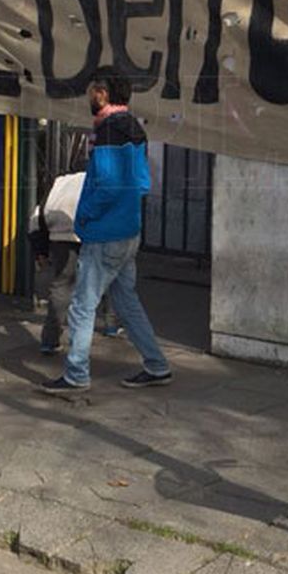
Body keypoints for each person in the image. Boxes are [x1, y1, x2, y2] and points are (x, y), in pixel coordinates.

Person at [42, 68, 172, 394]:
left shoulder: (110, 130)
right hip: (127, 230)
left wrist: (84, 218)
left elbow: (109, 186)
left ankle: (75, 374)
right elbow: (141, 183)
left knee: (83, 306)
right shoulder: (134, 128)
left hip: (104, 234)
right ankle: (157, 366)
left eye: (91, 90)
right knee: (127, 302)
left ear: (102, 92)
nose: (88, 96)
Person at [31, 170, 122, 355]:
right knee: (104, 279)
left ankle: (50, 339)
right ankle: (111, 324)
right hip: (95, 235)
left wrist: (40, 250)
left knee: (61, 286)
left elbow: (38, 216)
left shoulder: (59, 182)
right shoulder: (104, 180)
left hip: (61, 236)